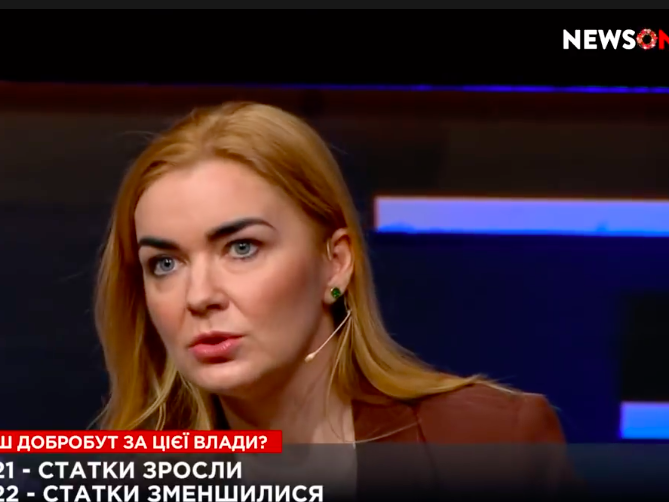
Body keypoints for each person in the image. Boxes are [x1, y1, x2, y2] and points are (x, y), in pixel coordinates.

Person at [94, 101, 566, 449]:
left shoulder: (492, 442)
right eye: (166, 263)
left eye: (242, 248)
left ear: (335, 262)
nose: (199, 296)